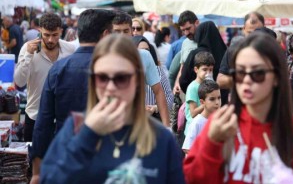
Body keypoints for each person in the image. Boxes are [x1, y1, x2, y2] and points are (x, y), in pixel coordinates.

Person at [40, 34, 184, 183]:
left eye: (121, 78)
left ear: (137, 81)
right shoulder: (75, 129)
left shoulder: (161, 139)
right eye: (102, 78)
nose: (110, 87)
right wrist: (87, 135)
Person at [184, 33, 293, 183]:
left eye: (257, 73)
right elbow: (190, 178)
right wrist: (212, 142)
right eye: (240, 72)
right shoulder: (221, 123)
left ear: (276, 77)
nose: (247, 80)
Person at [30, 9, 116, 184]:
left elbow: (43, 122)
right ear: (106, 34)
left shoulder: (58, 69)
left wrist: (37, 172)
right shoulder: (116, 71)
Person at [14, 13, 75, 142]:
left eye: (55, 35)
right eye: (46, 35)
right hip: (35, 117)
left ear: (61, 31)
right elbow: (19, 82)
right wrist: (29, 55)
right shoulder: (27, 49)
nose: (50, 40)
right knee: (33, 160)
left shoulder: (70, 49)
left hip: (62, 118)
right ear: (39, 30)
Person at [112, 12, 170, 127]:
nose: (122, 36)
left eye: (126, 31)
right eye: (117, 31)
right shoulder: (102, 58)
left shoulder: (144, 56)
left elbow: (158, 91)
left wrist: (167, 127)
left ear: (131, 33)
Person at [179, 21, 227, 103]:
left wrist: (195, 93)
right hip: (222, 103)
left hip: (200, 103)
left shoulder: (195, 54)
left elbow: (183, 80)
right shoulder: (225, 52)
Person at [217, 12, 264, 90]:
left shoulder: (271, 51)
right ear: (244, 29)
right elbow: (220, 81)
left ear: (264, 28)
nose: (253, 36)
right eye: (250, 33)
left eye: (257, 32)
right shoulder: (234, 50)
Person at [132, 35, 173, 119]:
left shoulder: (158, 70)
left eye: (147, 50)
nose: (145, 53)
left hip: (154, 118)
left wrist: (155, 108)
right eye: (141, 50)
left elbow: (168, 97)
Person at [182, 79, 221, 154]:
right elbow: (187, 148)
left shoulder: (219, 120)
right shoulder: (197, 122)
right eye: (212, 99)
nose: (217, 102)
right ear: (202, 102)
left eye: (219, 98)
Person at [184, 51, 215, 138]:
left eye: (210, 70)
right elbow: (193, 113)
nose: (208, 73)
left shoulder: (211, 85)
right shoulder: (193, 87)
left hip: (206, 128)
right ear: (196, 69)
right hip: (193, 131)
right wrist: (207, 102)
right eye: (204, 69)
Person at [173, 10, 200, 94]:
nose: (186, 33)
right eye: (183, 30)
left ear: (197, 23)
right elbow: (182, 66)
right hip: (186, 91)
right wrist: (177, 82)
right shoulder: (185, 42)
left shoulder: (205, 40)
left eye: (188, 28)